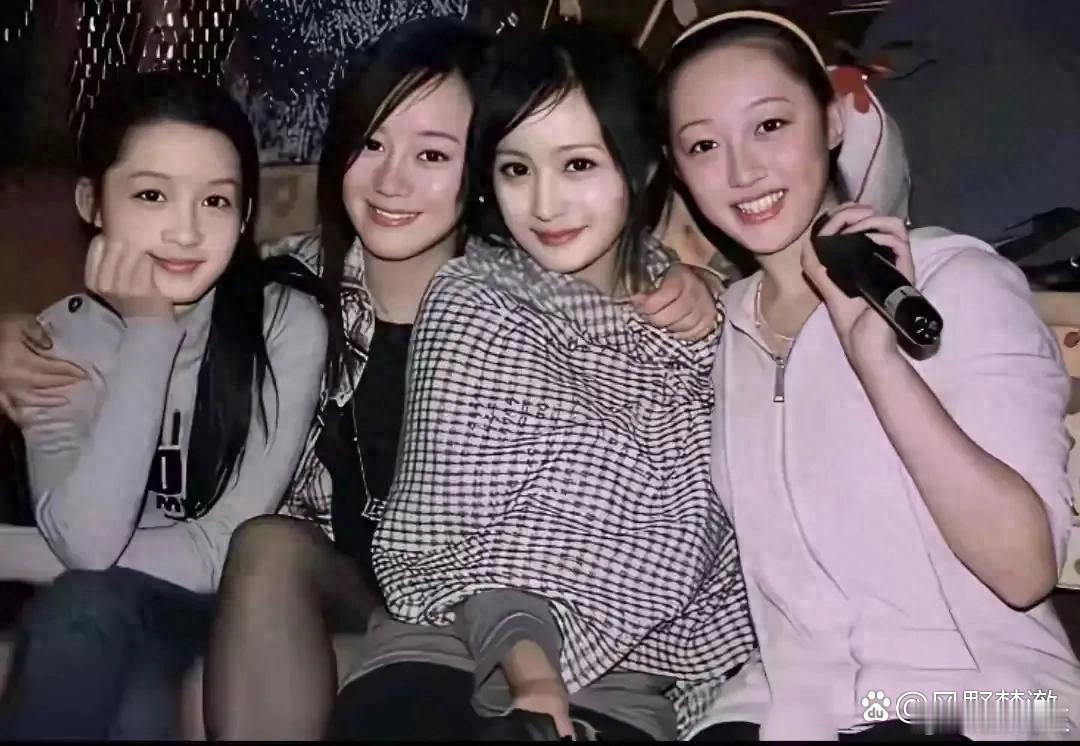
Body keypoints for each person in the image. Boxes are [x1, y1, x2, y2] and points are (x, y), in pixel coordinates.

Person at [201, 16, 721, 740]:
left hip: (529, 640)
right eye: (371, 143)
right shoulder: (294, 290)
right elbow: (168, 303)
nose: (391, 180)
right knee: (256, 570)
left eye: (432, 153)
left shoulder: (603, 312)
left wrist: (701, 286)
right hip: (396, 609)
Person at [659, 10, 1080, 741]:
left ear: (830, 121)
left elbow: (1024, 571)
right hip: (793, 706)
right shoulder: (724, 330)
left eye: (769, 126)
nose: (741, 172)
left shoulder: (953, 280)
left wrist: (879, 362)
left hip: (992, 698)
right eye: (704, 145)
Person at [0, 70, 326, 739]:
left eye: (215, 201)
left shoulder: (283, 327)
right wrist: (150, 332)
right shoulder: (57, 345)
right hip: (117, 611)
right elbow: (86, 542)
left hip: (245, 616)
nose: (185, 231)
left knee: (83, 607)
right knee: (116, 673)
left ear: (244, 217)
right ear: (92, 202)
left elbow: (218, 554)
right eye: (151, 194)